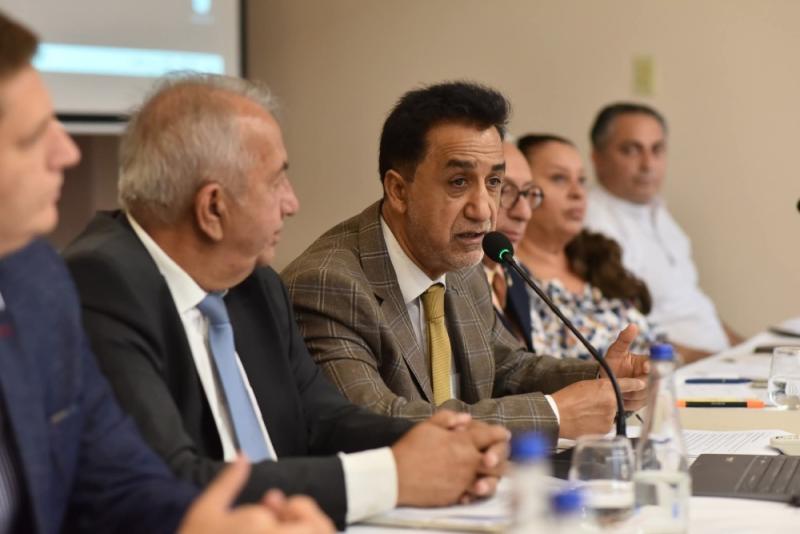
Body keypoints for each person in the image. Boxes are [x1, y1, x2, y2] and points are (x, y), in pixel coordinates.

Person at [63, 75, 510, 530]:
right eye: (277, 180)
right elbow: (172, 480)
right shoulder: (101, 286)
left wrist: (443, 441)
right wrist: (392, 477)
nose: (292, 203)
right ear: (213, 208)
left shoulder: (254, 283)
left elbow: (321, 420)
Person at [0, 10, 332, 534]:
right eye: (31, 137)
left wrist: (205, 524)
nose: (67, 152)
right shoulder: (93, 277)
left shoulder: (33, 279)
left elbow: (117, 478)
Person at [282, 81, 650, 443]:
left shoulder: (460, 259)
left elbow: (507, 367)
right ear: (398, 190)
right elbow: (373, 420)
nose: (483, 210)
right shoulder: (328, 284)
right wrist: (553, 414)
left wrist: (601, 379)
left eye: (494, 182)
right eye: (459, 182)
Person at [584, 103, 743, 362]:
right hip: (678, 369)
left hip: (717, 361)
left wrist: (749, 349)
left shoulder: (658, 211)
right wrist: (722, 361)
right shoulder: (592, 226)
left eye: (657, 150)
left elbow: (692, 303)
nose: (648, 164)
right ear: (597, 157)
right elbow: (624, 333)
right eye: (631, 150)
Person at [513, 133, 656, 361]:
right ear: (522, 189)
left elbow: (657, 344)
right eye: (559, 178)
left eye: (581, 180)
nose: (577, 193)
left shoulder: (596, 256)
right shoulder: (509, 277)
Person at [480, 141, 543, 351]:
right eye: (504, 190)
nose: (524, 213)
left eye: (528, 192)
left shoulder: (516, 271)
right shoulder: (447, 286)